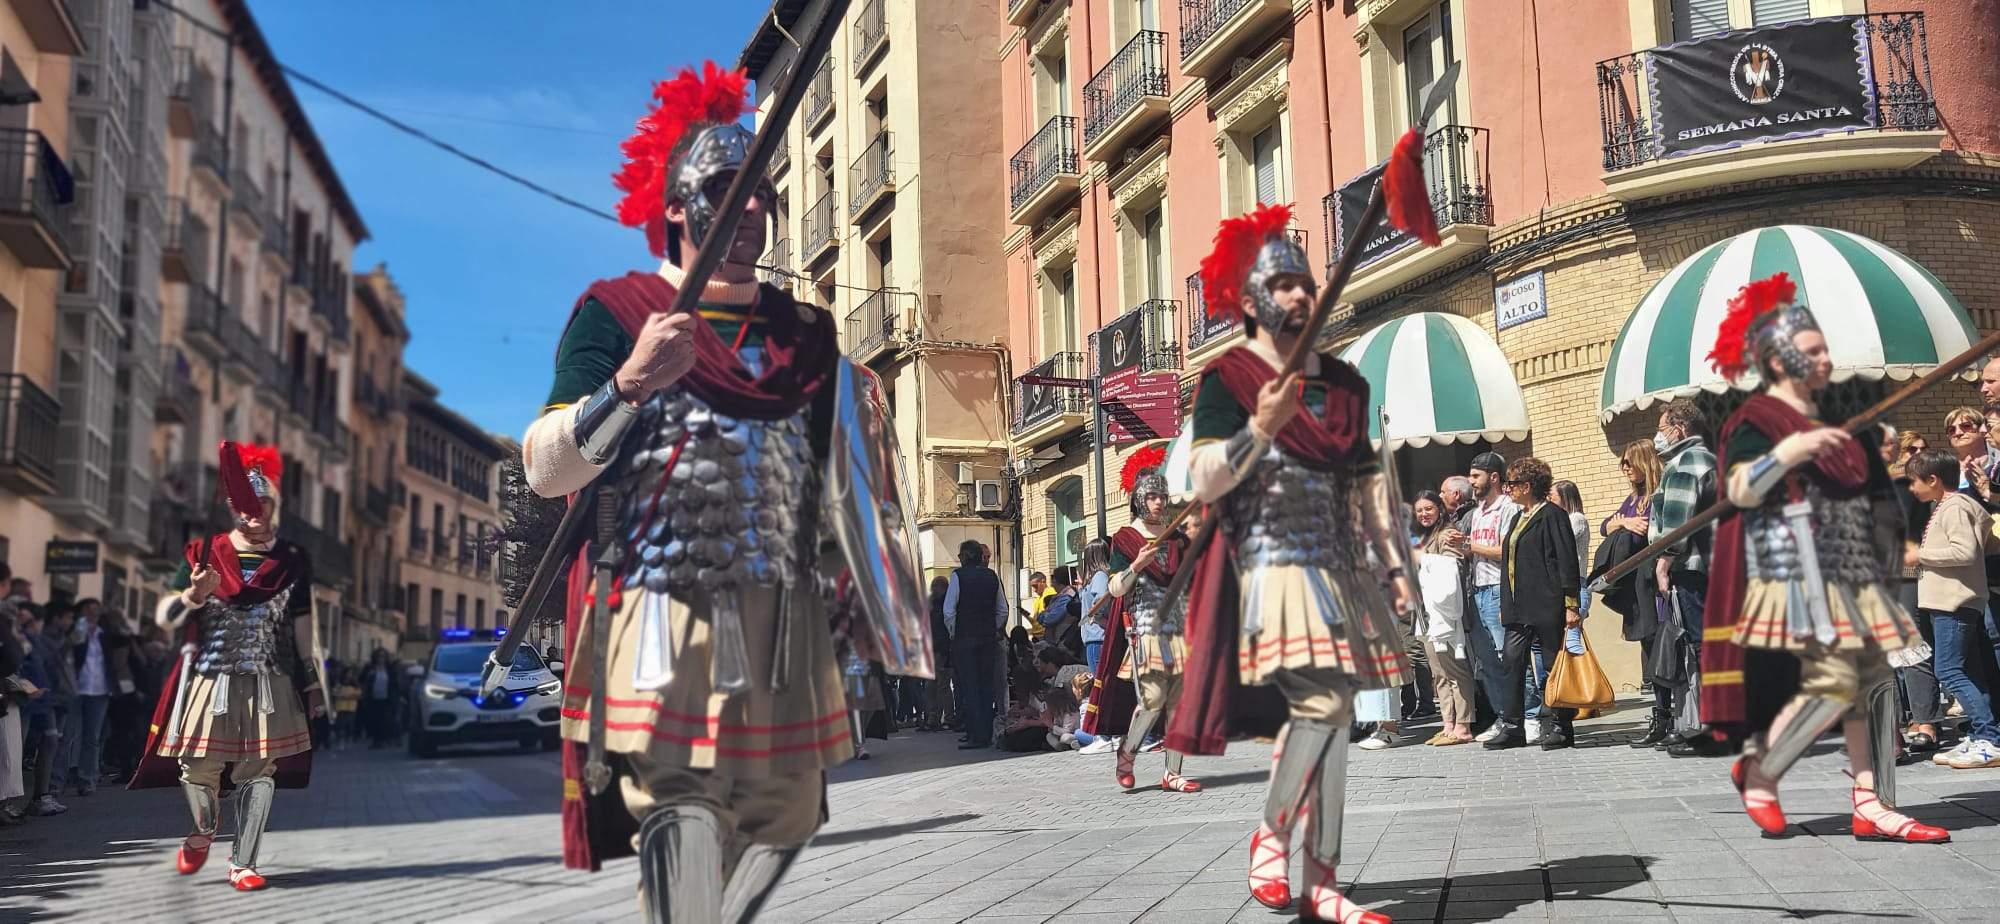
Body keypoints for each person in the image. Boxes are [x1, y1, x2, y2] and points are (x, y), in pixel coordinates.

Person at [515, 62, 865, 921]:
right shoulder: (618, 310)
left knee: (786, 812)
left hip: (779, 613)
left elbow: (832, 485)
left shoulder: (806, 334)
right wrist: (628, 385)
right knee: (682, 801)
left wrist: (850, 586)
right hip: (655, 607)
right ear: (674, 207)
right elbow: (544, 466)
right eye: (724, 189)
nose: (750, 210)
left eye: (761, 193)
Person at [1169, 204, 1412, 922]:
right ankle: (1278, 838)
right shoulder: (1230, 378)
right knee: (1326, 707)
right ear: (1249, 302)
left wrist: (1394, 566)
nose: (1302, 295)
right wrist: (1259, 428)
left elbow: (1368, 484)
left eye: (1306, 282)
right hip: (1270, 570)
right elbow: (1206, 479)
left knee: (1329, 721)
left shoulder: (1344, 384)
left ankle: (1323, 884)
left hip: (1340, 572)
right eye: (1284, 285)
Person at [1703, 272, 1945, 844]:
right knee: (1837, 682)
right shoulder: (1755, 421)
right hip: (1795, 570)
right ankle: (1762, 768)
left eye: (1824, 348)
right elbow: (1738, 490)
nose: (1824, 358)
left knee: (1874, 681)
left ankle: (1872, 801)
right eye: (1812, 350)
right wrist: (1790, 450)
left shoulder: (1829, 416)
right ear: (1780, 359)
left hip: (1849, 566)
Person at [130, 442, 328, 891]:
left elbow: (302, 626)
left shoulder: (292, 561)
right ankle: (203, 830)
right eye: (246, 506)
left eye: (263, 506)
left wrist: (312, 680)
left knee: (258, 771)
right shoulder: (203, 553)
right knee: (197, 767)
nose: (255, 514)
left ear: (275, 508)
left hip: (268, 677)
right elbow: (165, 618)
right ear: (233, 507)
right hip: (209, 676)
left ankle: (244, 863)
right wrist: (194, 595)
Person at [1106, 444, 1201, 794]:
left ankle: (1171, 773)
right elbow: (1115, 588)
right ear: (1140, 501)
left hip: (1179, 626)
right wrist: (1136, 566)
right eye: (1152, 497)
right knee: (1152, 700)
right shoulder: (1126, 539)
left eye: (1162, 497)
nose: (1159, 503)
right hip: (1146, 628)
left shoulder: (1176, 539)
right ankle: (1127, 752)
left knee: (1179, 702)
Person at [1903, 449, 2000, 769]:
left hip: (1954, 603)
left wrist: (1921, 555)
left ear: (1933, 479)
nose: (1911, 489)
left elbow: (1965, 551)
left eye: (1914, 482)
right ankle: (1982, 734)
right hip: (1950, 602)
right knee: (1968, 671)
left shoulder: (1956, 506)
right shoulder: (1946, 506)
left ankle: (1988, 739)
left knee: (1948, 670)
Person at [1485, 458, 1583, 751]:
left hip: (1547, 605)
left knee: (1552, 666)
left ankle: (1561, 727)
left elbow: (1566, 561)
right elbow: (1508, 565)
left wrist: (1571, 604)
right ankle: (1513, 727)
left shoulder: (1553, 515)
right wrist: (1506, 602)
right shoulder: (1517, 518)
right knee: (1512, 664)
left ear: (1527, 486)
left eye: (1511, 484)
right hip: (1518, 608)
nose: (1507, 489)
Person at [1648, 399, 1722, 756]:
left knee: (1697, 645)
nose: (1658, 437)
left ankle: (1704, 726)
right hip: (1709, 565)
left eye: (1662, 429)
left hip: (1692, 568)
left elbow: (1676, 526)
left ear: (1679, 428)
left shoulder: (1685, 463)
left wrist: (1663, 561)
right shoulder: (1707, 459)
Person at [1459, 452, 1520, 742]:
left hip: (1499, 589)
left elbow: (1507, 551)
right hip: (1477, 590)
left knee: (1506, 656)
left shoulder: (1508, 508)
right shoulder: (1478, 511)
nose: (1471, 482)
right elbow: (1477, 550)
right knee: (1487, 660)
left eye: (1475, 476)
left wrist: (1472, 546)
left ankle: (1525, 716)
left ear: (1494, 477)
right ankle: (1502, 717)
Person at [1413, 490, 1474, 745]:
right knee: (1438, 672)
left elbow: (1452, 569)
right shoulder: (1424, 538)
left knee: (1455, 670)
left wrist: (1420, 559)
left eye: (1428, 508)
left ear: (1439, 508)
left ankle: (1463, 725)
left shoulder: (1448, 534)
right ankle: (1448, 723)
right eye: (1419, 511)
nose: (1424, 514)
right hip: (1426, 614)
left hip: (1446, 614)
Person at [945, 541, 1009, 751]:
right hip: (988, 639)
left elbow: (949, 610)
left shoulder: (958, 576)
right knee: (986, 686)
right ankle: (984, 732)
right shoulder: (993, 577)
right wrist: (995, 628)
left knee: (969, 686)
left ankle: (975, 734)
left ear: (965, 556)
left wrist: (954, 633)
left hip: (965, 639)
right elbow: (1002, 609)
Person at [923, 576, 954, 732]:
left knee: (943, 686)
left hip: (943, 650)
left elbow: (946, 628)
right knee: (930, 686)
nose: (933, 589)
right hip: (931, 649)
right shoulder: (931, 605)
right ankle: (932, 717)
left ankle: (948, 718)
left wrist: (945, 649)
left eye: (936, 586)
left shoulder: (947, 605)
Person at [1077, 540, 1112, 674]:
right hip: (1094, 638)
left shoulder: (1100, 576)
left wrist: (1096, 617)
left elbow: (1101, 600)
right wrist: (1082, 588)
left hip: (1097, 637)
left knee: (1099, 682)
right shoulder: (1096, 578)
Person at [357, 649, 398, 749]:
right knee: (374, 719)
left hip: (386, 698)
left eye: (383, 656)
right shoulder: (370, 668)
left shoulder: (389, 669)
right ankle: (376, 740)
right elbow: (361, 679)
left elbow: (394, 683)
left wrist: (395, 697)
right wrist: (368, 675)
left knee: (385, 719)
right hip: (373, 698)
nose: (381, 659)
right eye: (379, 656)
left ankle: (384, 740)